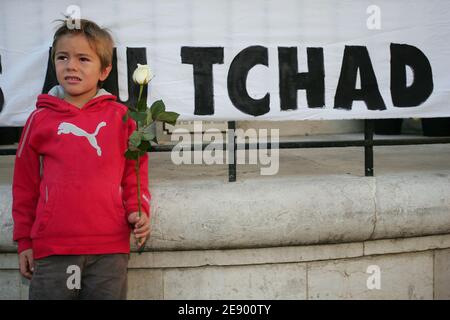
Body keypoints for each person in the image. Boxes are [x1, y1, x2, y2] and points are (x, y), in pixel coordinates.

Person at [11, 18, 151, 300]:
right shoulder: (39, 119)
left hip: (109, 250)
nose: (71, 66)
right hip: (53, 250)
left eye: (83, 58)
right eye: (63, 57)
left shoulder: (122, 118)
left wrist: (138, 210)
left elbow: (135, 172)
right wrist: (25, 240)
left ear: (105, 70)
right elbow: (24, 185)